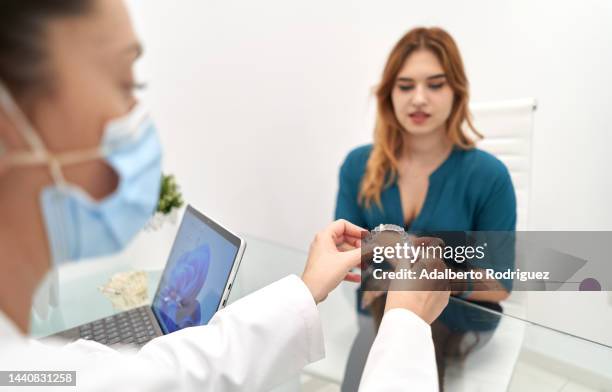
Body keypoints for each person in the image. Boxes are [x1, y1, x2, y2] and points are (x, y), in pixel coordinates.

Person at [0, 1, 449, 391]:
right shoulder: (359, 164)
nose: (136, 118)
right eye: (125, 83)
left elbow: (153, 377)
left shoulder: (28, 373)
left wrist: (308, 289)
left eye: (435, 84)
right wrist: (406, 324)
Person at [335, 27, 516, 390]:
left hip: (458, 315)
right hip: (379, 308)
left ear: (456, 92)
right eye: (405, 86)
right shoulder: (358, 165)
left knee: (410, 329)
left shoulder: (489, 176)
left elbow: (499, 283)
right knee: (390, 326)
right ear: (389, 94)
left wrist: (422, 271)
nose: (419, 98)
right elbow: (342, 252)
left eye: (435, 85)